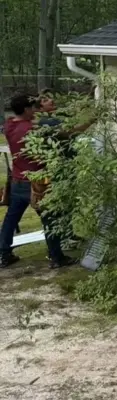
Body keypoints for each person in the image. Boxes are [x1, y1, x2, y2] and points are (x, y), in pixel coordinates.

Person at [0, 93, 74, 270]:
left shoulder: (9, 125)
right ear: (26, 109)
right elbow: (58, 138)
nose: (35, 111)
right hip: (36, 181)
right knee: (49, 218)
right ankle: (56, 257)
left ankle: (3, 254)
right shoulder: (32, 129)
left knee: (11, 219)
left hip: (17, 179)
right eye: (33, 108)